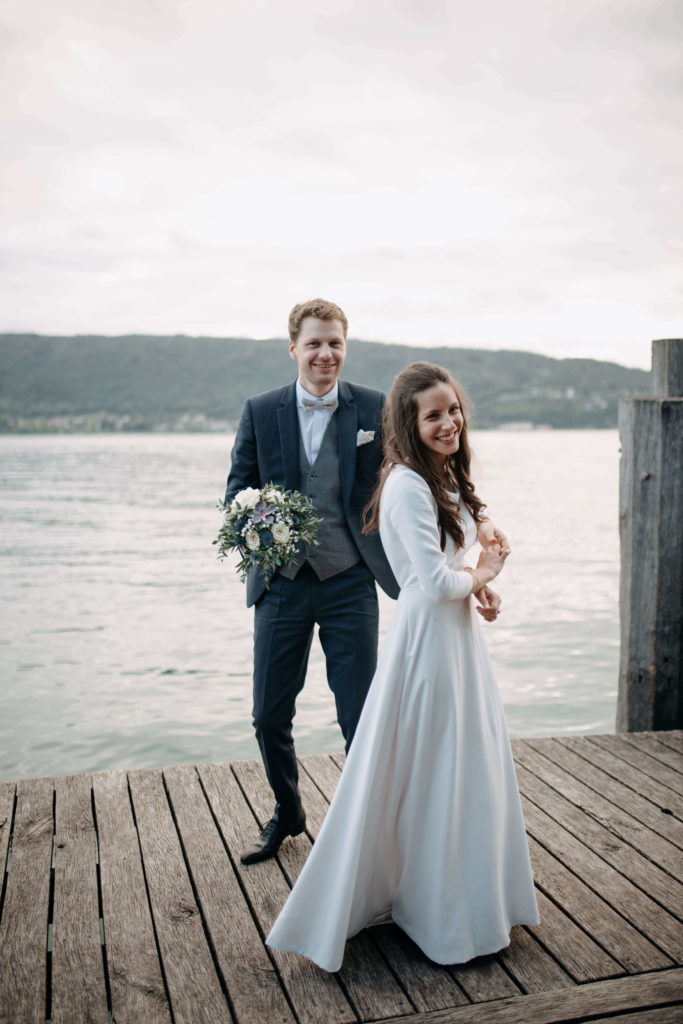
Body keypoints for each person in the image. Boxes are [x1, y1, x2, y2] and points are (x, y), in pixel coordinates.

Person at [266, 361, 539, 971]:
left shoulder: (439, 475)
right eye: (433, 414)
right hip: (428, 646)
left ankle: (459, 902)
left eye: (453, 410)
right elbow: (433, 581)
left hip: (454, 638)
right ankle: (437, 913)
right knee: (439, 768)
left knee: (462, 766)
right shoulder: (407, 484)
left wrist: (476, 581)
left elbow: (447, 562)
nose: (449, 422)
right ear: (408, 424)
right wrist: (481, 575)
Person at [224, 298, 400, 864]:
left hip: (351, 580)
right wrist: (266, 526)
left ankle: (361, 829)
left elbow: (407, 485)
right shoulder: (260, 409)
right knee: (269, 713)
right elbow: (236, 495)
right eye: (315, 343)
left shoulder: (376, 408)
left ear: (345, 347)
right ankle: (288, 810)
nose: (326, 353)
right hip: (282, 583)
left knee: (359, 716)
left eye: (336, 343)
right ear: (294, 348)